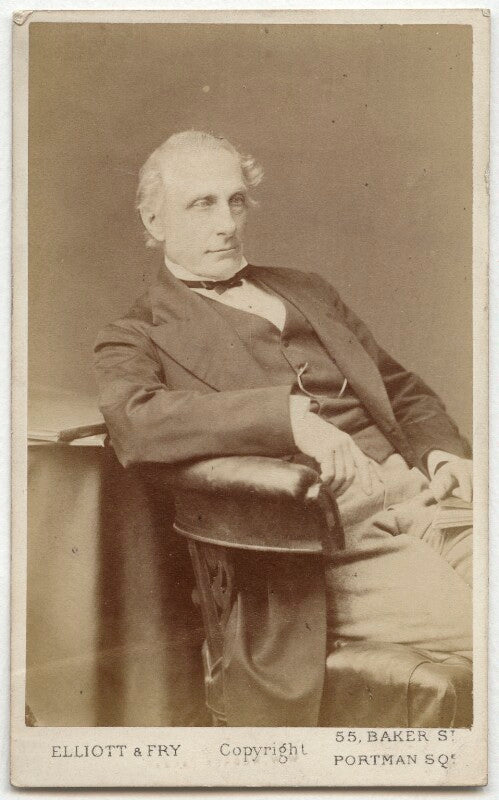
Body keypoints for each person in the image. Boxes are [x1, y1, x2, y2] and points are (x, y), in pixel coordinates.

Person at [94, 130, 473, 724]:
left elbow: (398, 386)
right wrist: (289, 419)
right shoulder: (135, 333)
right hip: (330, 547)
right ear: (154, 219)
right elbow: (135, 422)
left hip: (431, 503)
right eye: (202, 205)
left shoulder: (307, 289)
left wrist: (443, 454)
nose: (227, 224)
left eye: (235, 201)